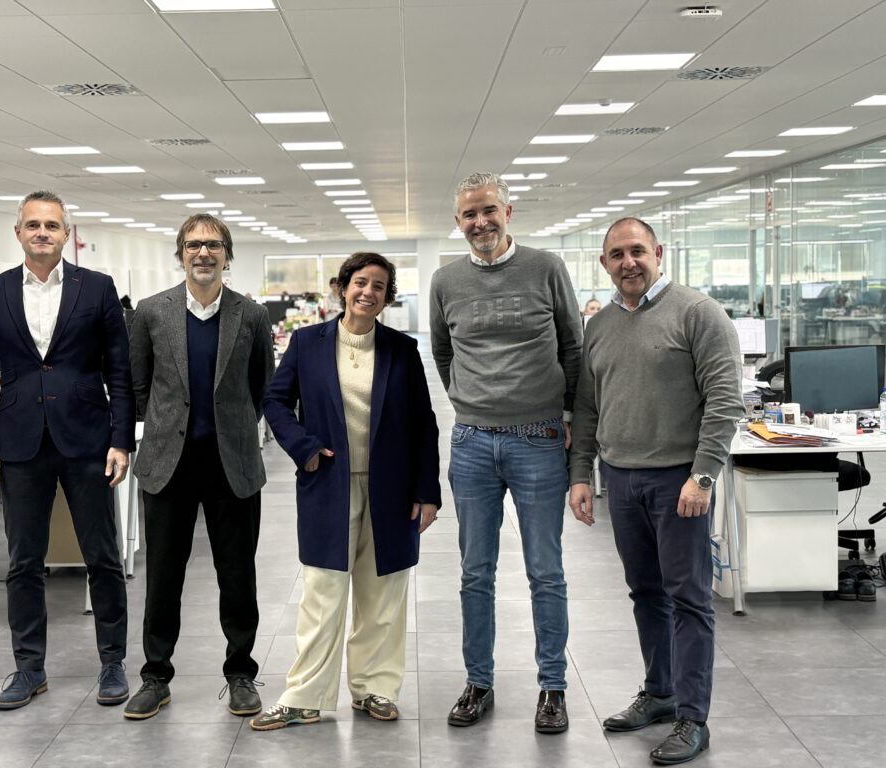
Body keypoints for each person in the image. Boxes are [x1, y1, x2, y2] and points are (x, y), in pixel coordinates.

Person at [568, 217, 743, 765]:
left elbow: (725, 400)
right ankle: (660, 692)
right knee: (645, 592)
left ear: (659, 253)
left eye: (638, 251)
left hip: (678, 481)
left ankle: (693, 718)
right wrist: (581, 473)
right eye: (617, 254)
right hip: (621, 480)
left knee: (689, 598)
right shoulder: (599, 326)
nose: (629, 263)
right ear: (604, 263)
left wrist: (704, 474)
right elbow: (588, 407)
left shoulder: (698, 313)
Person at [252, 252, 440, 730]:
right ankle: (304, 696)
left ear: (387, 297)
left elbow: (423, 422)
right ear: (342, 287)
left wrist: (427, 491)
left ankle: (375, 688)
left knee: (383, 594)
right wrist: (304, 448)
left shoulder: (401, 349)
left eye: (378, 286)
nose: (367, 292)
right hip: (328, 484)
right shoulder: (308, 343)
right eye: (360, 282)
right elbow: (275, 400)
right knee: (323, 593)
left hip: (391, 490)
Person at [0, 190, 135, 711]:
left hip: (87, 439)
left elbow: (120, 372)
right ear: (18, 232)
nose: (43, 232)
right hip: (19, 444)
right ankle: (28, 668)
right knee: (23, 562)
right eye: (34, 224)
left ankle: (112, 662)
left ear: (66, 234)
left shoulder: (97, 287)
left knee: (102, 556)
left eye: (52, 225)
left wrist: (121, 439)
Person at [429, 172, 582, 733]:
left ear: (508, 212)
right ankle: (479, 682)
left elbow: (573, 346)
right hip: (472, 442)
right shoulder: (445, 281)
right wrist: (472, 402)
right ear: (458, 222)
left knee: (546, 571)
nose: (480, 222)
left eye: (488, 210)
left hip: (539, 438)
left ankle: (553, 687)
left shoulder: (546, 268)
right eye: (469, 214)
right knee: (475, 572)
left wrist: (568, 415)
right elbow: (443, 353)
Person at [124, 213, 274, 721]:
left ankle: (240, 674)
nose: (203, 253)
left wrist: (233, 426)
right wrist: (169, 425)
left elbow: (262, 386)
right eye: (193, 245)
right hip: (169, 464)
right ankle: (155, 676)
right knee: (163, 575)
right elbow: (139, 385)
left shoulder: (251, 316)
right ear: (180, 254)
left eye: (213, 245)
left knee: (238, 574)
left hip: (233, 464)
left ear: (227, 255)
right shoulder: (151, 312)